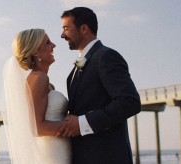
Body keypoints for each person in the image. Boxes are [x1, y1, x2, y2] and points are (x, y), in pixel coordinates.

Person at [57, 7, 141, 163]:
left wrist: (83, 123)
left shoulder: (106, 57)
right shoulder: (79, 65)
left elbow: (130, 102)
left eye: (66, 28)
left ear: (84, 29)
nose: (62, 35)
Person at [3, 28, 71, 164]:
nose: (54, 45)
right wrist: (75, 126)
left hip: (57, 147)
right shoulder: (39, 78)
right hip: (52, 153)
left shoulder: (43, 80)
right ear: (35, 51)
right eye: (47, 43)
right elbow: (36, 128)